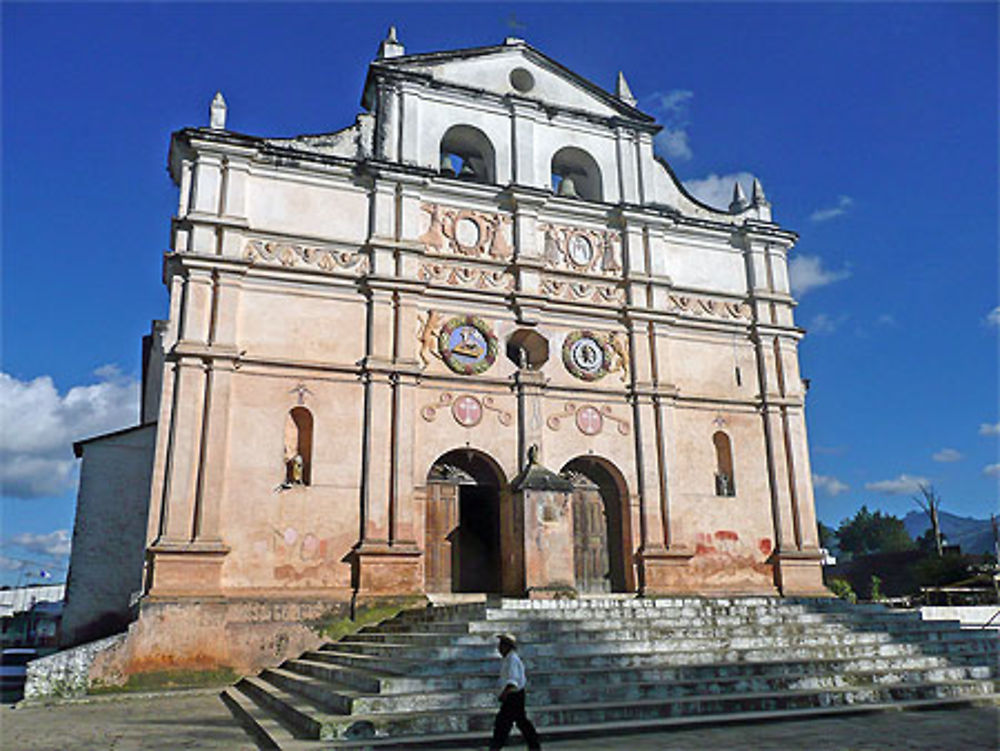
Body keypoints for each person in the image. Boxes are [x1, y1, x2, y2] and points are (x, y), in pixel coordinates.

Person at [489, 633, 542, 751]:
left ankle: (496, 746)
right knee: (520, 722)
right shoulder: (508, 659)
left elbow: (512, 682)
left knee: (503, 722)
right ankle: (534, 745)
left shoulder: (512, 660)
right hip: (514, 695)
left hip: (513, 696)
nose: (499, 648)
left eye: (501, 645)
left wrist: (504, 694)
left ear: (507, 646)